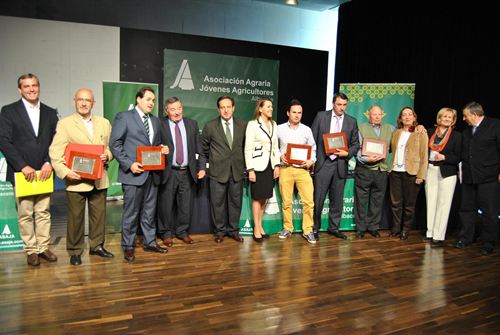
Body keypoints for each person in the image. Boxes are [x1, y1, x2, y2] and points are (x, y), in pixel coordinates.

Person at [49, 88, 114, 265]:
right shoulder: (65, 124)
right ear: (74, 101)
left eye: (87, 100)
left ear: (94, 103)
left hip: (99, 178)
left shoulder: (104, 123)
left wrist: (107, 155)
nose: (84, 103)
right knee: (76, 218)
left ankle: (97, 246)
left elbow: (110, 147)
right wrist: (65, 172)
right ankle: (75, 251)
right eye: (80, 100)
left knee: (99, 216)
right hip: (76, 179)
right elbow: (55, 152)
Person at [0, 73, 59, 267]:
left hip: (44, 171)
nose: (31, 89)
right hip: (22, 172)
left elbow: (55, 142)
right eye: (27, 86)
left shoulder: (50, 113)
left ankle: (43, 247)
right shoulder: (9, 111)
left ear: (39, 87)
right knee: (25, 212)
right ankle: (31, 250)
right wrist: (22, 166)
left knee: (43, 211)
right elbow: (4, 141)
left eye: (34, 85)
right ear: (20, 89)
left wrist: (48, 162)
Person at [109, 87, 169, 262]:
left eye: (153, 100)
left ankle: (150, 242)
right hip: (133, 174)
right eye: (148, 99)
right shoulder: (124, 117)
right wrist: (129, 164)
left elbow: (154, 145)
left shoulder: (156, 121)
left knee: (149, 212)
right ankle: (128, 246)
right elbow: (115, 144)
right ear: (138, 99)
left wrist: (162, 149)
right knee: (131, 212)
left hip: (152, 174)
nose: (151, 103)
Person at [157, 97, 206, 247]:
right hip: (168, 172)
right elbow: (152, 146)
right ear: (167, 111)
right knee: (165, 205)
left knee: (185, 205)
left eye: (179, 108)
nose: (177, 112)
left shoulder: (192, 124)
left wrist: (202, 167)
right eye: (173, 109)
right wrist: (159, 149)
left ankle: (182, 232)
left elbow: (200, 149)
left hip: (187, 172)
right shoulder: (160, 124)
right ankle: (165, 233)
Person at [311, 92, 360, 240]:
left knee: (337, 200)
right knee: (318, 199)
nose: (341, 108)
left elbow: (355, 144)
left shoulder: (351, 121)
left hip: (340, 164)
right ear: (333, 104)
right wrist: (313, 161)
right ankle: (314, 228)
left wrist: (348, 153)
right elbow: (312, 138)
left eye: (344, 105)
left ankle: (334, 227)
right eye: (339, 104)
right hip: (324, 163)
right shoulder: (321, 116)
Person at [456, 102, 500, 256]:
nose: (463, 119)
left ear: (474, 115)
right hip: (469, 177)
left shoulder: (494, 125)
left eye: (465, 115)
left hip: (488, 178)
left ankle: (489, 242)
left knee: (489, 212)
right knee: (466, 210)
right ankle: (466, 237)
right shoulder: (467, 131)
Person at [201, 96, 247, 244]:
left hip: (237, 171)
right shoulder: (210, 126)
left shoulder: (242, 125)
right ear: (218, 109)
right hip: (217, 172)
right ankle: (219, 231)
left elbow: (246, 147)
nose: (226, 110)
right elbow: (204, 148)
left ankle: (233, 231)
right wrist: (215, 160)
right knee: (217, 203)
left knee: (235, 203)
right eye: (222, 107)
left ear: (233, 108)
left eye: (228, 107)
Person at [277, 99, 316, 244]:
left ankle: (308, 230)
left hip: (303, 171)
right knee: (286, 202)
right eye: (294, 112)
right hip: (286, 169)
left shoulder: (307, 130)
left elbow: (313, 148)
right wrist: (279, 156)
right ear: (288, 113)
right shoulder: (279, 128)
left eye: (299, 113)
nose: (297, 115)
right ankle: (287, 228)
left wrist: (311, 160)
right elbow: (274, 147)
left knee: (309, 202)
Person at [354, 105, 394, 239]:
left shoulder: (390, 128)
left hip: (381, 170)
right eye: (374, 114)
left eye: (379, 114)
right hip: (365, 170)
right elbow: (358, 148)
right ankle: (360, 228)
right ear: (369, 116)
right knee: (361, 200)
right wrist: (366, 158)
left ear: (382, 115)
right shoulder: (361, 128)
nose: (377, 117)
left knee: (377, 200)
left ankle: (373, 226)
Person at [388, 106, 428, 240]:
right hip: (395, 172)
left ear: (414, 117)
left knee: (409, 205)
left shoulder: (420, 132)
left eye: (410, 114)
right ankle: (396, 229)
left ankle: (405, 230)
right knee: (395, 203)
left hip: (411, 173)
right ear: (400, 118)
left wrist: (421, 175)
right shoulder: (396, 132)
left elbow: (424, 155)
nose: (407, 117)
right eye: (404, 115)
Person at [424, 108, 462, 248]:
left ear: (453, 120)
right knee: (431, 201)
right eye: (444, 116)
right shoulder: (429, 132)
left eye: (450, 117)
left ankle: (439, 236)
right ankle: (430, 232)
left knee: (443, 204)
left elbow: (459, 156)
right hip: (430, 169)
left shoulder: (457, 136)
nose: (447, 119)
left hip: (447, 171)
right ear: (439, 118)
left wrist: (444, 157)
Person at [245, 98, 280, 243]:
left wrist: (277, 165)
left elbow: (275, 147)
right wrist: (250, 169)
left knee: (264, 197)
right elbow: (248, 148)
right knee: (257, 198)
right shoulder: (253, 124)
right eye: (268, 107)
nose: (271, 109)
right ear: (260, 109)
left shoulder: (273, 124)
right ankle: (256, 229)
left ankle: (260, 226)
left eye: (272, 106)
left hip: (270, 166)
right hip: (257, 166)